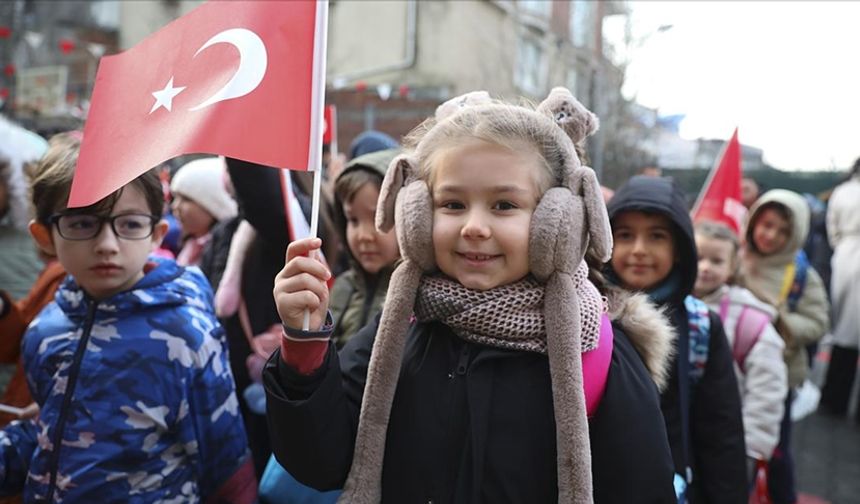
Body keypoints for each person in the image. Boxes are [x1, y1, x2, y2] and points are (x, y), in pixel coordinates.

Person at [264, 88, 678, 503]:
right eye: (453, 204)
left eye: (503, 205)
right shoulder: (399, 329)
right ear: (418, 213)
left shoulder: (598, 352)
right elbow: (320, 462)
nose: (474, 226)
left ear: (558, 220)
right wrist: (304, 349)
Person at [0, 136, 255, 502]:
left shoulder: (186, 337)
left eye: (130, 224)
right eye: (82, 223)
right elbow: (47, 438)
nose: (107, 243)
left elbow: (227, 465)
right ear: (44, 236)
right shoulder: (45, 330)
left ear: (156, 234)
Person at [605, 175, 748, 503]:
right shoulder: (584, 315)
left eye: (657, 236)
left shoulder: (702, 326)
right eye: (625, 235)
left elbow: (720, 433)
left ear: (680, 248)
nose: (639, 250)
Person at [738, 189, 830, 504]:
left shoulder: (801, 274)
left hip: (779, 376)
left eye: (783, 231)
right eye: (766, 224)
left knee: (774, 450)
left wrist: (784, 323)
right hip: (734, 372)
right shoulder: (736, 256)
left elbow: (818, 322)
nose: (771, 235)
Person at [692, 220, 788, 479]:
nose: (705, 267)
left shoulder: (750, 320)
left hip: (727, 445)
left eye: (716, 260)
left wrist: (751, 448)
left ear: (733, 266)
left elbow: (767, 391)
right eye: (698, 257)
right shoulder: (662, 303)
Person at [329, 148, 401, 347]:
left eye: (378, 219)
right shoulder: (343, 287)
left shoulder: (416, 296)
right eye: (353, 220)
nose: (363, 236)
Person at [820, 157, 860, 421]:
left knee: (844, 331)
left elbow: (831, 229)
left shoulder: (843, 192)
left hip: (846, 257)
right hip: (848, 253)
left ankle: (834, 400)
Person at [170, 157, 238, 266]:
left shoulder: (226, 250)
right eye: (175, 198)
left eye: (186, 199)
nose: (175, 206)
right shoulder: (190, 246)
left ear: (215, 206)